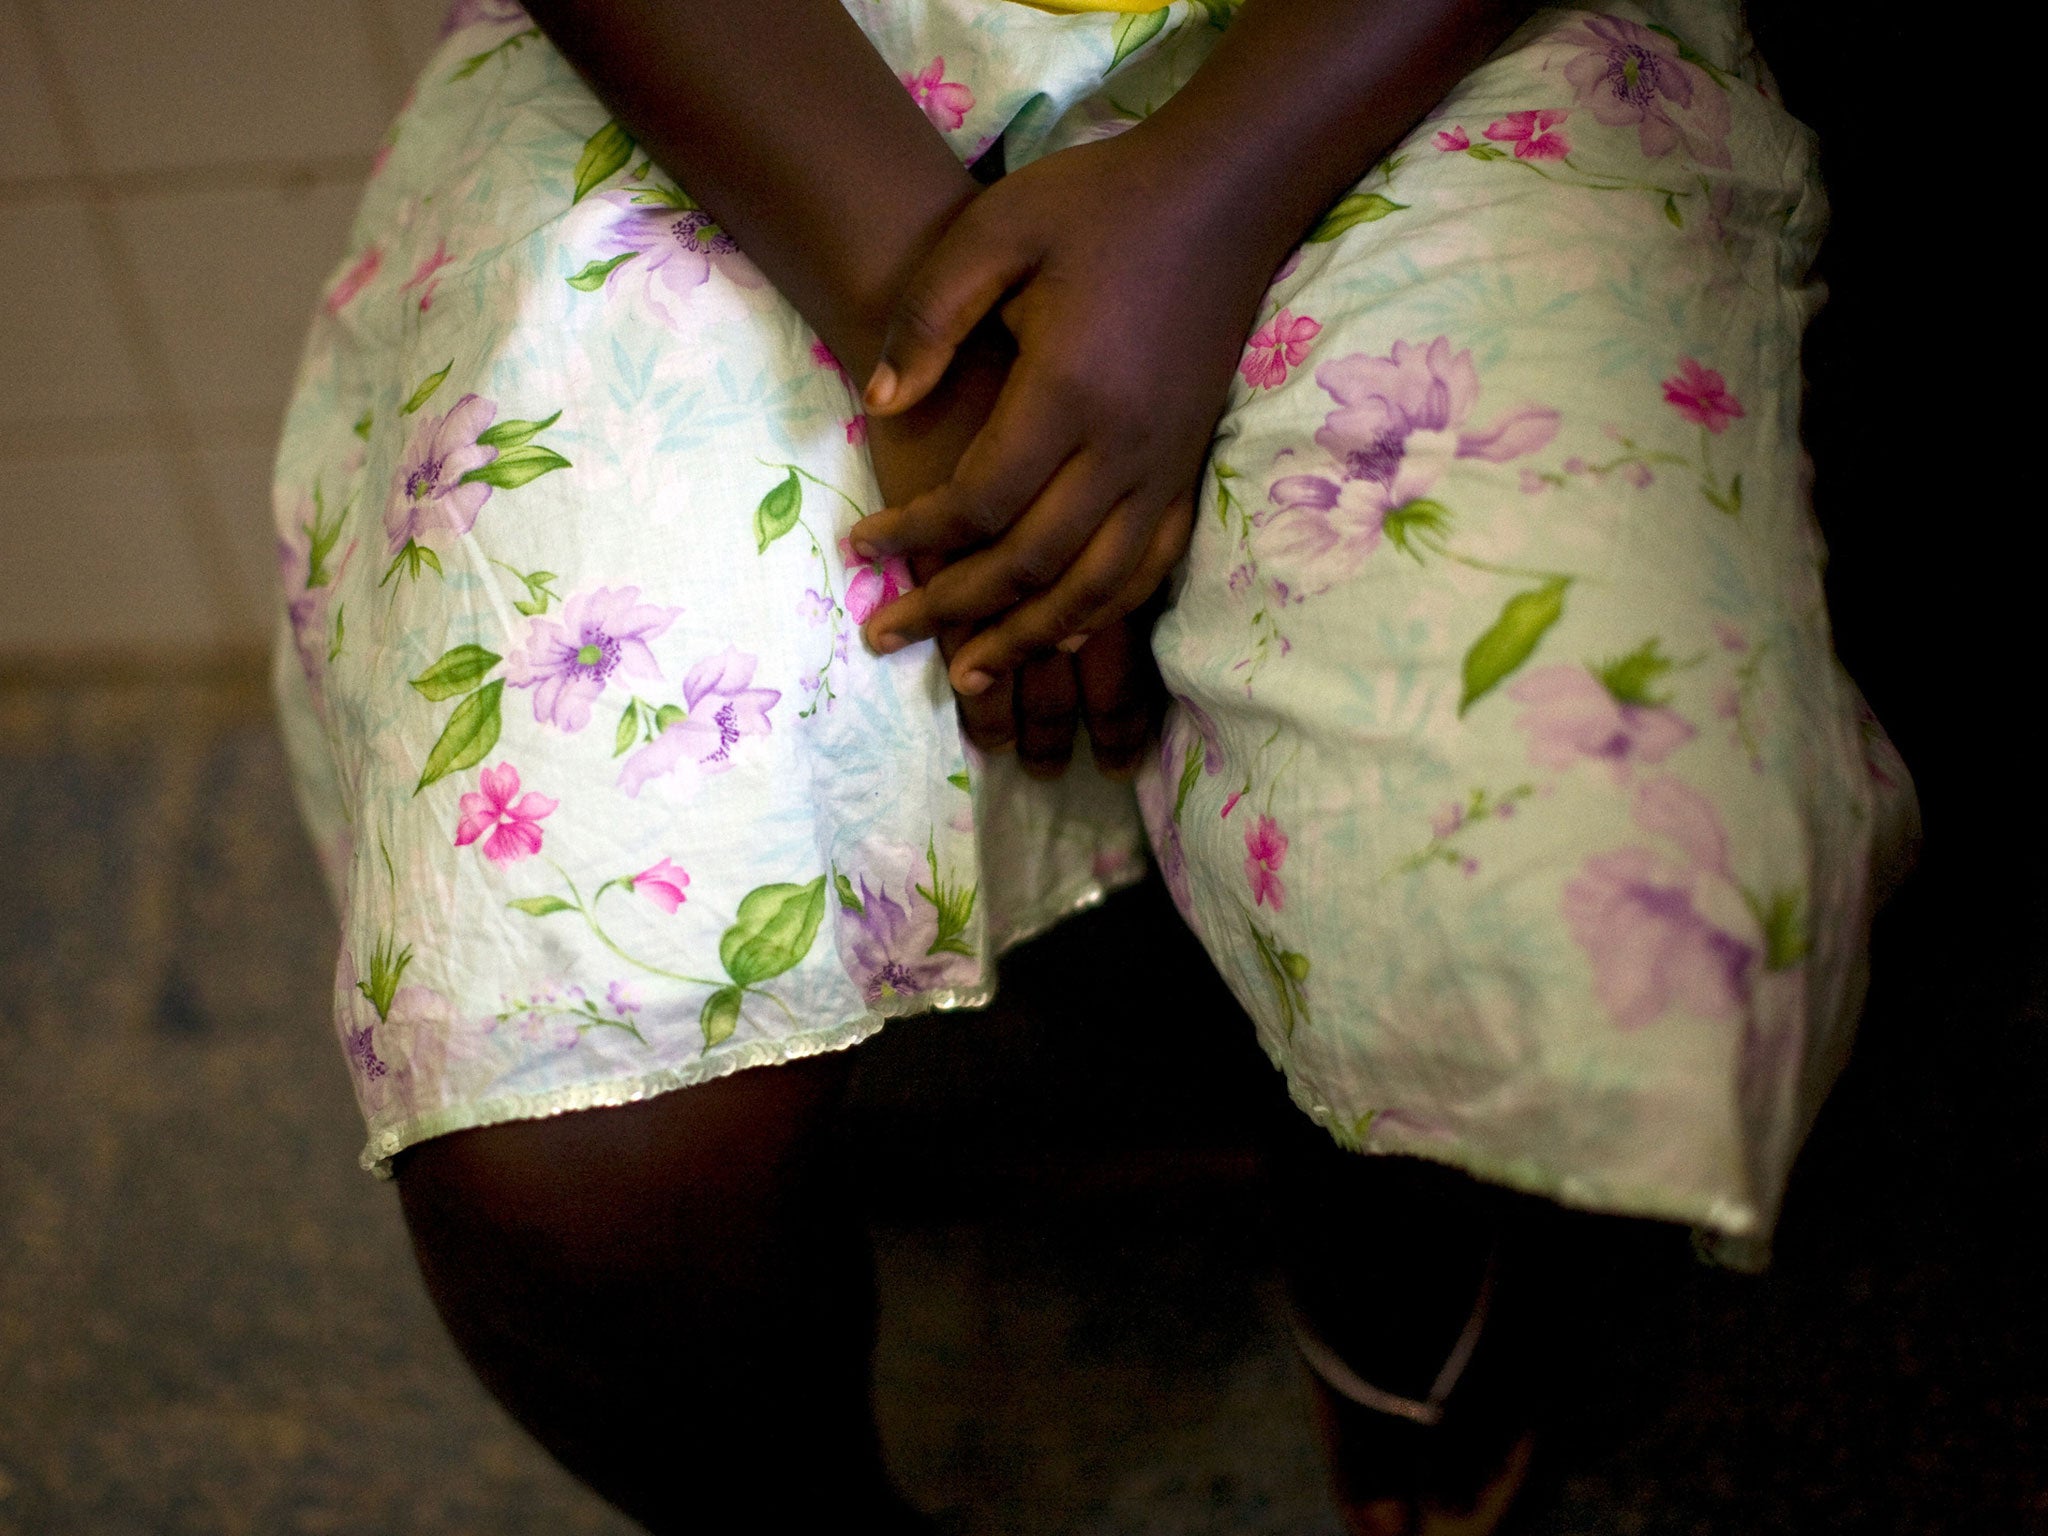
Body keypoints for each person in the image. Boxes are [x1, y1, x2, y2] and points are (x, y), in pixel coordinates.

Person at [270, 1, 1919, 1529]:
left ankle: (1387, 1255)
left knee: (1544, 883)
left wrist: (1211, 195)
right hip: (753, 61)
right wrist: (920, 314)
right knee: (576, 1134)